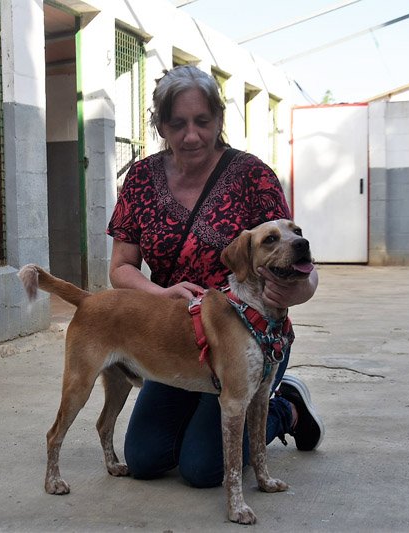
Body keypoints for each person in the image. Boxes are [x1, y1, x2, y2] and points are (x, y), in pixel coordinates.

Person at [106, 65, 324, 489]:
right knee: (145, 459)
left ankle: (287, 407)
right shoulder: (141, 179)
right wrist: (160, 292)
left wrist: (295, 292)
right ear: (160, 125)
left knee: (203, 470)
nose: (191, 136)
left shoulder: (253, 176)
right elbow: (120, 268)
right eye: (177, 124)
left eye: (202, 122)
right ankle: (203, 409)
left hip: (247, 339)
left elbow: (300, 263)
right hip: (178, 340)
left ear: (219, 120)